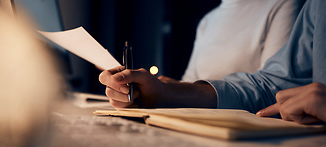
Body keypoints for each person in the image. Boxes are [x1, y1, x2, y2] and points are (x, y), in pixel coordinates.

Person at [99, 0, 326, 124]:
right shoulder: (207, 21)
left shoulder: (284, 4)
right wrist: (167, 91)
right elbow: (274, 84)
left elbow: (281, 97)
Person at [183, 0, 304, 82]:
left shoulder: (282, 4)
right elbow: (189, 79)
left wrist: (199, 93)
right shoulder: (207, 20)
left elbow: (271, 83)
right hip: (200, 112)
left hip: (244, 116)